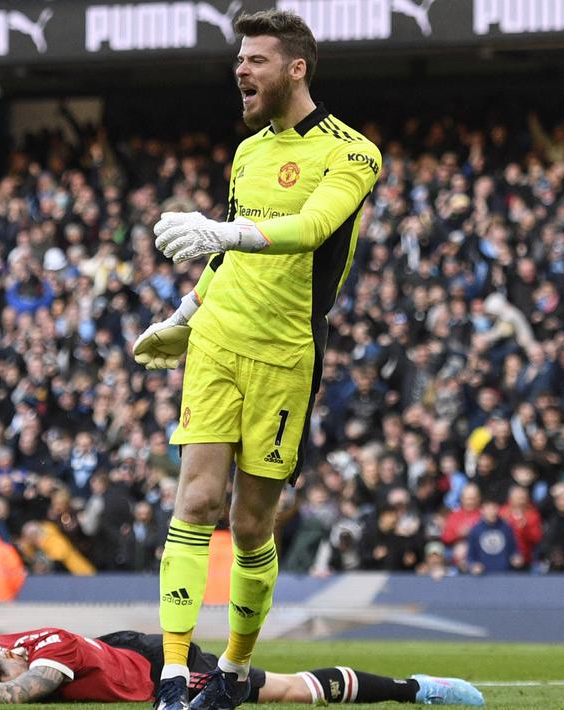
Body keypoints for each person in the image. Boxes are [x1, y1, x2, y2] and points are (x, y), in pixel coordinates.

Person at [133, 10, 382, 709]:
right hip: (218, 338)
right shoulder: (246, 153)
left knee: (250, 525)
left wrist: (220, 228)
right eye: (239, 60)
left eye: (256, 61)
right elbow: (223, 258)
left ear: (295, 69)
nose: (240, 71)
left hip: (286, 352)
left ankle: (235, 672)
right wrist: (183, 318)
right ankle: (174, 673)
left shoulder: (353, 152)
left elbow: (309, 230)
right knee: (196, 499)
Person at [0, 626, 483, 706]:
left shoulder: (46, 653)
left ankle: (417, 689)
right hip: (118, 652)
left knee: (276, 691)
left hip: (155, 663)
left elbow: (21, 696)